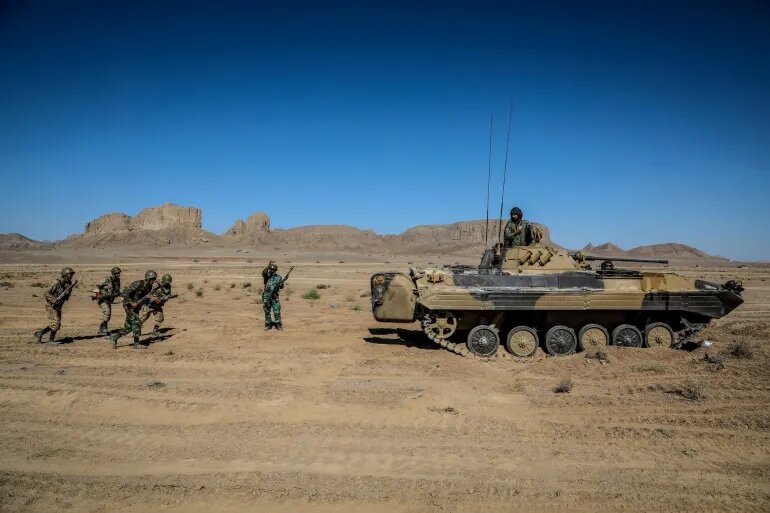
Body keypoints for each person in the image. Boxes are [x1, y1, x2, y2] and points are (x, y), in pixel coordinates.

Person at [110, 270, 157, 350]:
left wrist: (150, 300)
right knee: (137, 322)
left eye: (154, 279)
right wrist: (131, 303)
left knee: (128, 327)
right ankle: (136, 344)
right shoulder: (138, 284)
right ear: (148, 279)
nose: (154, 281)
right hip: (128, 305)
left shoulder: (149, 287)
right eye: (153, 279)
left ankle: (115, 337)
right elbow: (124, 293)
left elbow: (143, 298)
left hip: (136, 307)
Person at [34, 267, 76, 344]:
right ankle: (50, 340)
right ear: (65, 275)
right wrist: (54, 300)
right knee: (55, 322)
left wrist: (67, 293)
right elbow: (46, 293)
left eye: (72, 275)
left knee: (57, 324)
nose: (71, 277)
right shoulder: (56, 283)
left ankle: (41, 334)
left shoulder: (69, 284)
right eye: (70, 275)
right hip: (50, 305)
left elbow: (66, 297)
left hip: (58, 306)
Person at [94, 267, 121, 335]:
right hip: (102, 299)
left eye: (119, 273)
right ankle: (105, 329)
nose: (118, 274)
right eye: (117, 273)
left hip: (109, 299)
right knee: (107, 312)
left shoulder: (118, 281)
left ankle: (101, 329)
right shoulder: (107, 279)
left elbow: (117, 290)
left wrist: (117, 294)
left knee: (108, 316)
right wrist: (98, 294)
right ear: (113, 274)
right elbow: (98, 286)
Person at [262, 263, 283, 331]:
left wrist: (281, 285)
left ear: (275, 270)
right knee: (267, 311)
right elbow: (264, 272)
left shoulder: (278, 277)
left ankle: (278, 325)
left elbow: (281, 287)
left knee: (276, 311)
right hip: (267, 296)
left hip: (274, 297)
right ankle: (268, 324)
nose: (271, 270)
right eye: (270, 269)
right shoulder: (266, 276)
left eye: (273, 269)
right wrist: (268, 266)